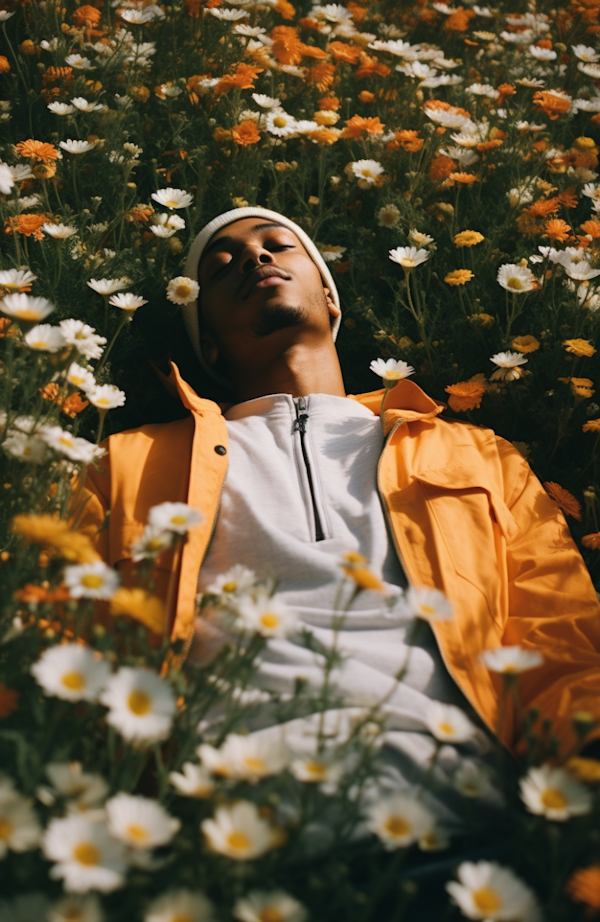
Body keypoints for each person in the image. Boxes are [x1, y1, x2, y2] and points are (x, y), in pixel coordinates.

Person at [78, 207, 600, 800]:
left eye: (277, 244)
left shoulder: (477, 454)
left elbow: (561, 637)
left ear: (329, 296)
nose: (256, 257)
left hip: (463, 819)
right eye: (223, 268)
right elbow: (56, 637)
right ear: (210, 347)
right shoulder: (124, 465)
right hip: (220, 836)